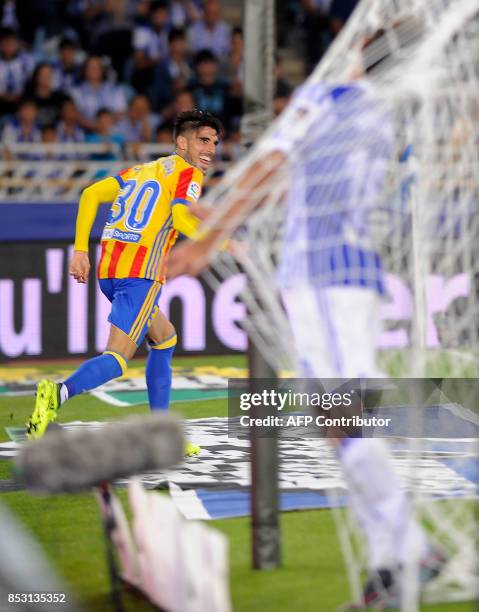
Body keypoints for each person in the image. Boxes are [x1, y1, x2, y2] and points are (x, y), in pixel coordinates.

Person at [167, 47, 446, 607]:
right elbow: (288, 183)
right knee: (336, 420)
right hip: (346, 274)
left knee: (342, 415)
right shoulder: (380, 115)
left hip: (326, 278)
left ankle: (410, 551)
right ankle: (391, 566)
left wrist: (206, 242)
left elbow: (268, 165)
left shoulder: (323, 99)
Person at [26, 109, 224, 459]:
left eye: (215, 142)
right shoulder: (188, 174)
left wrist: (80, 250)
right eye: (203, 140)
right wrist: (213, 240)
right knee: (118, 359)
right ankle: (58, 393)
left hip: (111, 269)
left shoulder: (141, 170)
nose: (210, 149)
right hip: (141, 275)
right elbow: (180, 216)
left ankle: (161, 436)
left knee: (165, 338)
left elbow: (89, 195)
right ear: (181, 142)